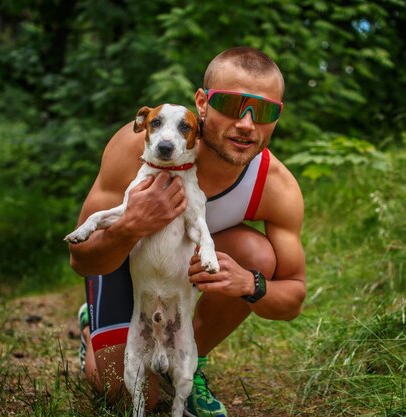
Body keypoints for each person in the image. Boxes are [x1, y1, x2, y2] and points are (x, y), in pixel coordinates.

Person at [68, 46, 306, 417]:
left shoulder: (276, 186)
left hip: (185, 272)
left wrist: (248, 283)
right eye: (231, 105)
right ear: (202, 103)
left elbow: (293, 298)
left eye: (263, 111)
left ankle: (190, 364)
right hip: (120, 260)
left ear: (277, 117)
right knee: (130, 395)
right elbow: (81, 260)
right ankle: (91, 328)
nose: (246, 124)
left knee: (258, 256)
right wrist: (132, 225)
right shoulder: (137, 147)